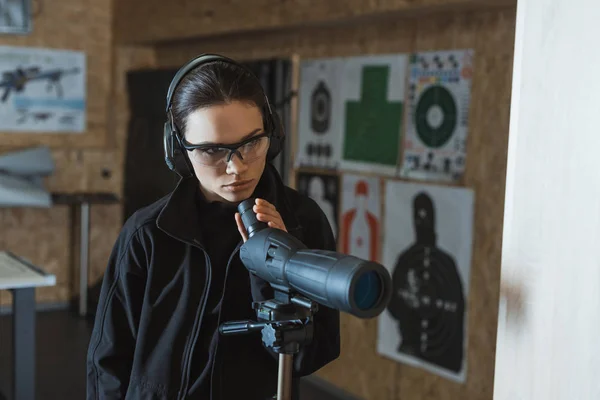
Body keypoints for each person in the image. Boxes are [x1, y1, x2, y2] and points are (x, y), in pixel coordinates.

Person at [86, 54, 340, 400]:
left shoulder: (304, 222)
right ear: (179, 150)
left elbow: (314, 355)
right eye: (212, 150)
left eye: (252, 143)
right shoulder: (146, 233)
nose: (237, 168)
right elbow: (108, 360)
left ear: (273, 134)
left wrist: (280, 268)